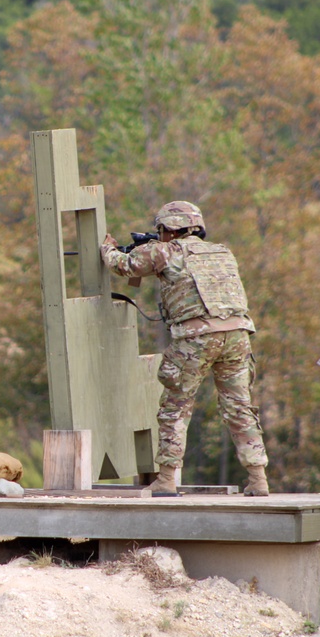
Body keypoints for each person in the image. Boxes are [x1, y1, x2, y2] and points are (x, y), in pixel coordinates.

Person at [100, 201, 269, 496]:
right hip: (237, 335)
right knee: (240, 408)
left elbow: (123, 266)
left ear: (168, 229)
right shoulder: (222, 252)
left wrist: (108, 248)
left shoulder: (164, 251)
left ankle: (166, 479)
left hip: (197, 338)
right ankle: (258, 478)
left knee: (175, 408)